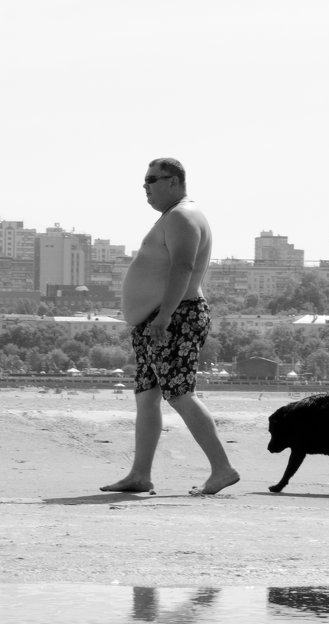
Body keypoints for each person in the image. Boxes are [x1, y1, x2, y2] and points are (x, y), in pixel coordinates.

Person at [100, 158, 240, 496]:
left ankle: (222, 469)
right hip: (158, 320)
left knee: (179, 393)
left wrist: (164, 316)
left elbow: (184, 267)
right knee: (147, 397)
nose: (146, 187)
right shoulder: (172, 216)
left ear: (174, 181)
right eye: (144, 181)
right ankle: (140, 475)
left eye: (152, 180)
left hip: (174, 317)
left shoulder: (182, 216)